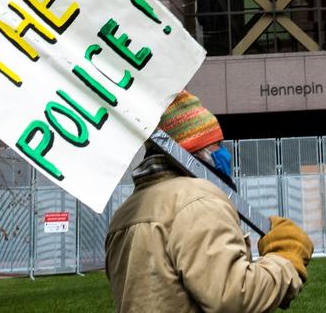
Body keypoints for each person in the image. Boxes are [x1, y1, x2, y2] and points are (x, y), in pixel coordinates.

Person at [106, 90, 314, 313]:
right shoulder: (197, 199)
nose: (225, 154)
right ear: (198, 150)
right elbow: (234, 298)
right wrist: (286, 258)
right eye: (217, 144)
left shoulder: (124, 213)